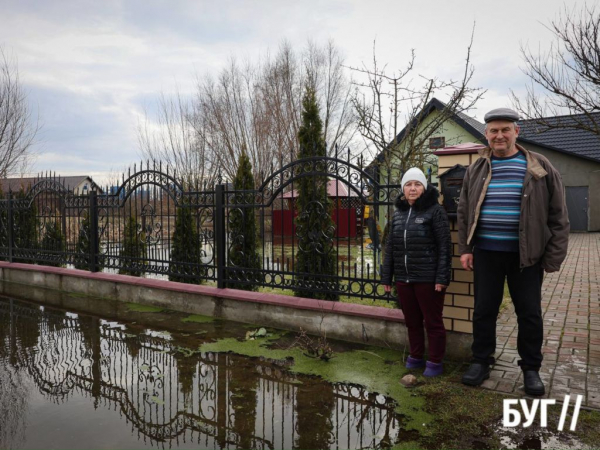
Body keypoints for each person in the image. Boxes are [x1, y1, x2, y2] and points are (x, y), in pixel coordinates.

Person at [457, 107, 569, 396]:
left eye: (505, 129)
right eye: (494, 130)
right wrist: (466, 248)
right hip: (486, 253)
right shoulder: (477, 167)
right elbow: (465, 210)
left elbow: (559, 215)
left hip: (526, 256)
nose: (499, 135)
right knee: (484, 311)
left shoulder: (539, 165)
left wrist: (553, 256)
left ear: (517, 132)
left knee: (529, 314)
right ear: (486, 134)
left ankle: (531, 369)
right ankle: (481, 361)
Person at [381, 168, 452, 377]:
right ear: (403, 188)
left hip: (428, 279)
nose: (413, 188)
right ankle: (416, 355)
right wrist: (387, 276)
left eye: (417, 184)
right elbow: (391, 248)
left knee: (433, 321)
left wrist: (441, 278)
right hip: (404, 278)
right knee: (412, 321)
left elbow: (445, 247)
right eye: (408, 185)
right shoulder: (399, 214)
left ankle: (435, 361)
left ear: (424, 187)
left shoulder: (435, 211)